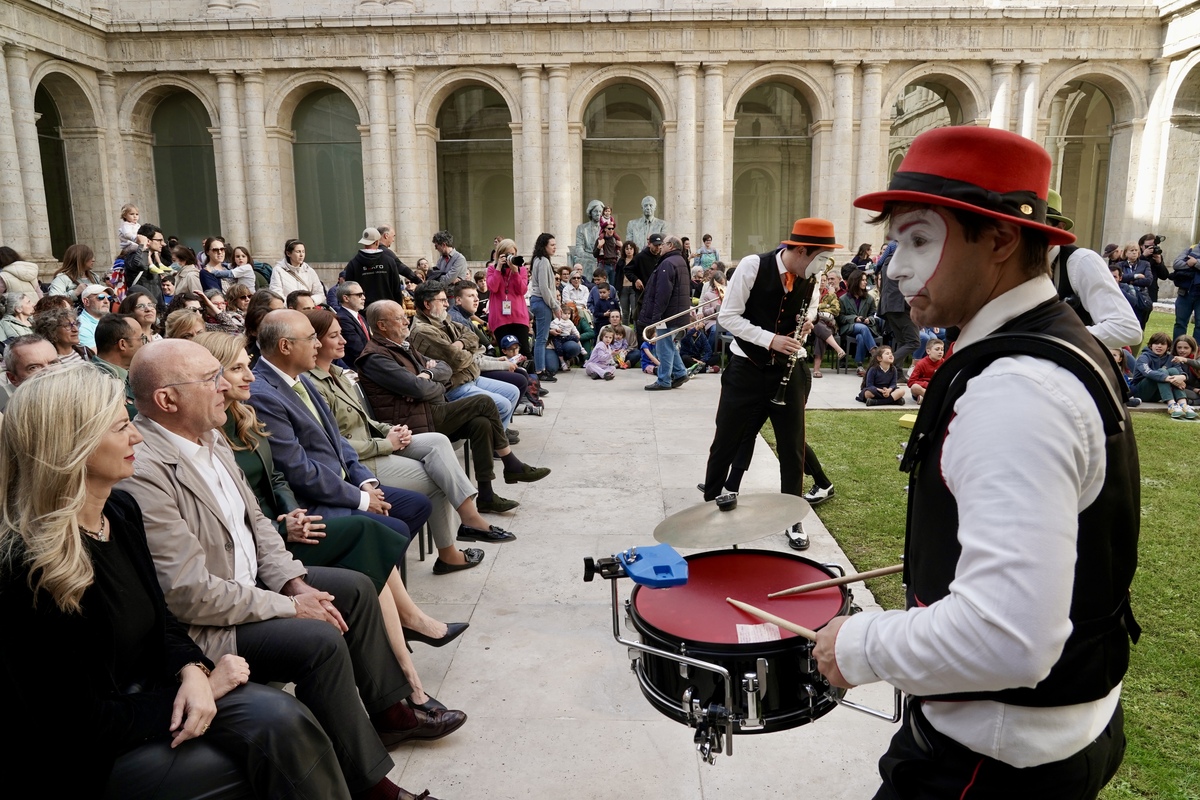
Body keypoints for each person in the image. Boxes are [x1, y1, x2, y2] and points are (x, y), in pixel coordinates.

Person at [816, 125, 1140, 799]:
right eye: (897, 242)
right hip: (1050, 734)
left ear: (1000, 240)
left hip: (992, 761)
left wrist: (858, 644)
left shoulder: (1016, 390)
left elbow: (1010, 638)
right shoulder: (1056, 344)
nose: (895, 268)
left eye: (920, 239)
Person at [0, 362, 359, 799]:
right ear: (72, 447)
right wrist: (205, 685)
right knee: (276, 734)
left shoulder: (118, 512)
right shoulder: (28, 567)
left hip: (159, 695)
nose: (135, 435)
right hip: (94, 753)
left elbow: (164, 621)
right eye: (120, 428)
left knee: (283, 718)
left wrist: (191, 669)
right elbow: (78, 722)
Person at [120, 340, 451, 800]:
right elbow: (189, 594)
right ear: (167, 399)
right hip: (208, 624)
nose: (226, 387)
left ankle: (390, 714)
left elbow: (257, 524)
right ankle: (372, 784)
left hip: (250, 584)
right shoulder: (145, 469)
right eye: (211, 378)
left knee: (352, 588)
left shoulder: (209, 437)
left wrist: (294, 581)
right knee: (318, 638)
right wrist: (291, 605)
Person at [299, 311, 516, 565]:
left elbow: (442, 369)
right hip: (359, 462)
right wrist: (385, 442)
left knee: (440, 442)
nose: (344, 341)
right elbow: (333, 443)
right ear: (314, 342)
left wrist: (389, 429)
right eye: (334, 336)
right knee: (441, 474)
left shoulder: (338, 373)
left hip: (389, 435)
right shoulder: (342, 371)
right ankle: (452, 548)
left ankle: (468, 519)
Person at [701, 218, 840, 550]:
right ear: (802, 250)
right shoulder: (752, 266)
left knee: (792, 447)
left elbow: (812, 306)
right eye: (821, 257)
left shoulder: (812, 274)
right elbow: (728, 317)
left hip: (788, 372)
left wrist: (809, 319)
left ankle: (792, 519)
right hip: (746, 368)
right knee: (726, 439)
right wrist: (769, 340)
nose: (824, 266)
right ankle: (709, 503)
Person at [247, 310, 433, 544]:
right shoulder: (262, 395)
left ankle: (376, 569)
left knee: (417, 506)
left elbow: (336, 438)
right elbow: (297, 470)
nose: (317, 344)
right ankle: (370, 571)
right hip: (316, 500)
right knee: (391, 530)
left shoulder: (301, 377)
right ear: (285, 346)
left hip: (345, 484)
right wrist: (361, 499)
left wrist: (366, 483)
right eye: (311, 338)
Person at [355, 301, 550, 511]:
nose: (406, 321)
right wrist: (433, 384)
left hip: (427, 410)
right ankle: (511, 463)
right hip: (410, 425)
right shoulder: (375, 357)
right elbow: (419, 389)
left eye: (405, 317)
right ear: (382, 326)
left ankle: (486, 495)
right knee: (484, 402)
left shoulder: (403, 346)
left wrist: (429, 375)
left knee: (481, 423)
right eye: (400, 318)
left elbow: (445, 368)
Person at [408, 282, 520, 436]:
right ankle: (493, 442)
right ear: (427, 304)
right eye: (442, 300)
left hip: (470, 375)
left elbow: (472, 336)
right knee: (503, 404)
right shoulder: (423, 330)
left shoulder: (442, 318)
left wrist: (460, 343)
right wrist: (466, 352)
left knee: (513, 391)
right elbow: (456, 360)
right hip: (454, 385)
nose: (447, 304)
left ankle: (496, 437)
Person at [1045, 190, 1142, 349]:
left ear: (1059, 228)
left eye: (1036, 226)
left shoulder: (1081, 261)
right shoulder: (1009, 266)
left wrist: (1055, 340)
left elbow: (1126, 329)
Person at [638, 235, 692, 391]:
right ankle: (680, 373)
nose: (660, 247)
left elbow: (662, 293)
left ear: (671, 245)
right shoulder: (680, 261)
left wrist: (656, 318)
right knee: (669, 345)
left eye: (663, 244)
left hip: (668, 314)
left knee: (663, 347)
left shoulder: (667, 263)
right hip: (677, 312)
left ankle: (663, 380)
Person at [1131, 331, 1195, 418]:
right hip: (1141, 392)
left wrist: (1182, 377)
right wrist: (1167, 378)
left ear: (1168, 347)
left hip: (1158, 395)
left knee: (1173, 371)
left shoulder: (1171, 358)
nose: (1159, 346)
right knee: (1162, 371)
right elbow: (1147, 372)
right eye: (1156, 343)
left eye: (1163, 344)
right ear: (1151, 345)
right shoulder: (1144, 357)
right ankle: (1171, 404)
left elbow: (1180, 371)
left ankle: (1183, 404)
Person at [346, 227, 416, 305]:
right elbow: (396, 288)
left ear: (364, 242)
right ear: (377, 242)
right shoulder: (389, 261)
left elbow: (349, 289)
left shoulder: (353, 263)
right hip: (387, 307)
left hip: (363, 309)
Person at [91, 312, 144, 413]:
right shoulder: (96, 386)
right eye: (141, 339)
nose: (144, 344)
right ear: (122, 344)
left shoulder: (128, 373)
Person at [528, 232, 562, 381]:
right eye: (552, 245)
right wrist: (555, 306)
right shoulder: (542, 261)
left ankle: (540, 369)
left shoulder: (539, 259)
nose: (555, 248)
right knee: (542, 339)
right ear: (544, 246)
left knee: (541, 338)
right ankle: (540, 371)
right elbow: (544, 287)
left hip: (540, 301)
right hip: (542, 302)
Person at [0, 334, 57, 412]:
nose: (49, 371)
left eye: (53, 363)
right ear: (13, 378)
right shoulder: (12, 418)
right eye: (34, 367)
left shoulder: (76, 393)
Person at [839, 268, 879, 375]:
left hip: (865, 328)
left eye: (866, 280)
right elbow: (841, 318)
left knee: (861, 336)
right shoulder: (843, 299)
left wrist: (868, 319)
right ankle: (875, 353)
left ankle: (860, 366)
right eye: (863, 280)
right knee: (862, 328)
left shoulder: (869, 299)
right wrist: (854, 318)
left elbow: (873, 314)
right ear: (856, 281)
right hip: (848, 327)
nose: (866, 282)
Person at [1117, 242, 1155, 329]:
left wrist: (1130, 281)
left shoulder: (1145, 264)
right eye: (1131, 250)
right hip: (1126, 298)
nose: (1134, 252)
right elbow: (1120, 278)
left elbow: (1148, 281)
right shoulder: (1120, 265)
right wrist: (1135, 276)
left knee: (1140, 326)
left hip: (1141, 298)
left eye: (1136, 250)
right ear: (1126, 253)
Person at [1170, 242, 1200, 339]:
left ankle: (1197, 352)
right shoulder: (1191, 248)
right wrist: (1190, 264)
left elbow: (1192, 262)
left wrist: (1196, 262)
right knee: (1180, 323)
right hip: (1185, 293)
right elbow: (1176, 264)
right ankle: (1177, 348)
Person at [907, 337, 945, 404]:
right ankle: (932, 398)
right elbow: (911, 382)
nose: (940, 352)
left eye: (942, 350)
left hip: (937, 388)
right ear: (928, 351)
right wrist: (927, 384)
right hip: (923, 388)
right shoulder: (921, 363)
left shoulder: (944, 363)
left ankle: (924, 398)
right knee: (915, 387)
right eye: (937, 349)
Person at [75, 284, 114, 349]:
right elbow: (95, 356)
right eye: (101, 297)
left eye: (109, 298)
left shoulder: (112, 319)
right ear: (86, 301)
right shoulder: (82, 326)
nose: (106, 301)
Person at [593, 215, 622, 287]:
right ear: (605, 229)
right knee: (601, 284)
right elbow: (595, 254)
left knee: (614, 285)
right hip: (604, 264)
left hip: (614, 264)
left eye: (612, 228)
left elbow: (621, 253)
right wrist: (599, 246)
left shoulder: (615, 239)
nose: (611, 230)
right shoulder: (600, 239)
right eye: (609, 228)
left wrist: (621, 246)